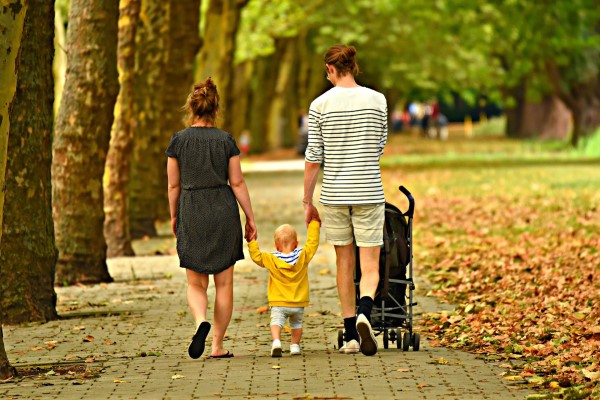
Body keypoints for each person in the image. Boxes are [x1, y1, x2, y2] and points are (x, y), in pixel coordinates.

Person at [303, 45, 388, 356]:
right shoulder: (377, 100)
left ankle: (351, 334)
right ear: (354, 67)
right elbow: (380, 146)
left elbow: (314, 157)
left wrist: (306, 200)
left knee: (344, 262)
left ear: (330, 70)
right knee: (370, 264)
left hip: (335, 195)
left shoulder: (319, 105)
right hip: (368, 191)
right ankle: (366, 310)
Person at [166, 77, 257, 359]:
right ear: (216, 109)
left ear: (191, 108)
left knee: (196, 283)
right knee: (225, 284)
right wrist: (250, 218)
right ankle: (217, 346)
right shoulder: (226, 140)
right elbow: (238, 183)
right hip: (223, 209)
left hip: (192, 208)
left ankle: (200, 322)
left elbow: (173, 186)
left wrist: (174, 216)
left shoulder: (178, 141)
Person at [247, 219, 320, 357]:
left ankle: (276, 342)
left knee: (276, 322)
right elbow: (313, 243)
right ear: (296, 243)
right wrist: (314, 224)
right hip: (298, 303)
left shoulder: (271, 258)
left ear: (276, 246)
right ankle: (295, 346)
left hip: (278, 302)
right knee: (296, 324)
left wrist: (252, 241)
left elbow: (257, 257)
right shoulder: (303, 255)